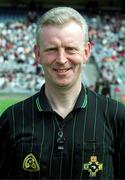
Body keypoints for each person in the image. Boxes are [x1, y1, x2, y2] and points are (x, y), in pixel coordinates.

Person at [0, 7, 125, 180]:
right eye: (51, 49)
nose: (61, 59)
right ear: (37, 54)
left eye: (70, 48)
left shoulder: (116, 117)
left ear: (86, 52)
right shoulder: (11, 119)